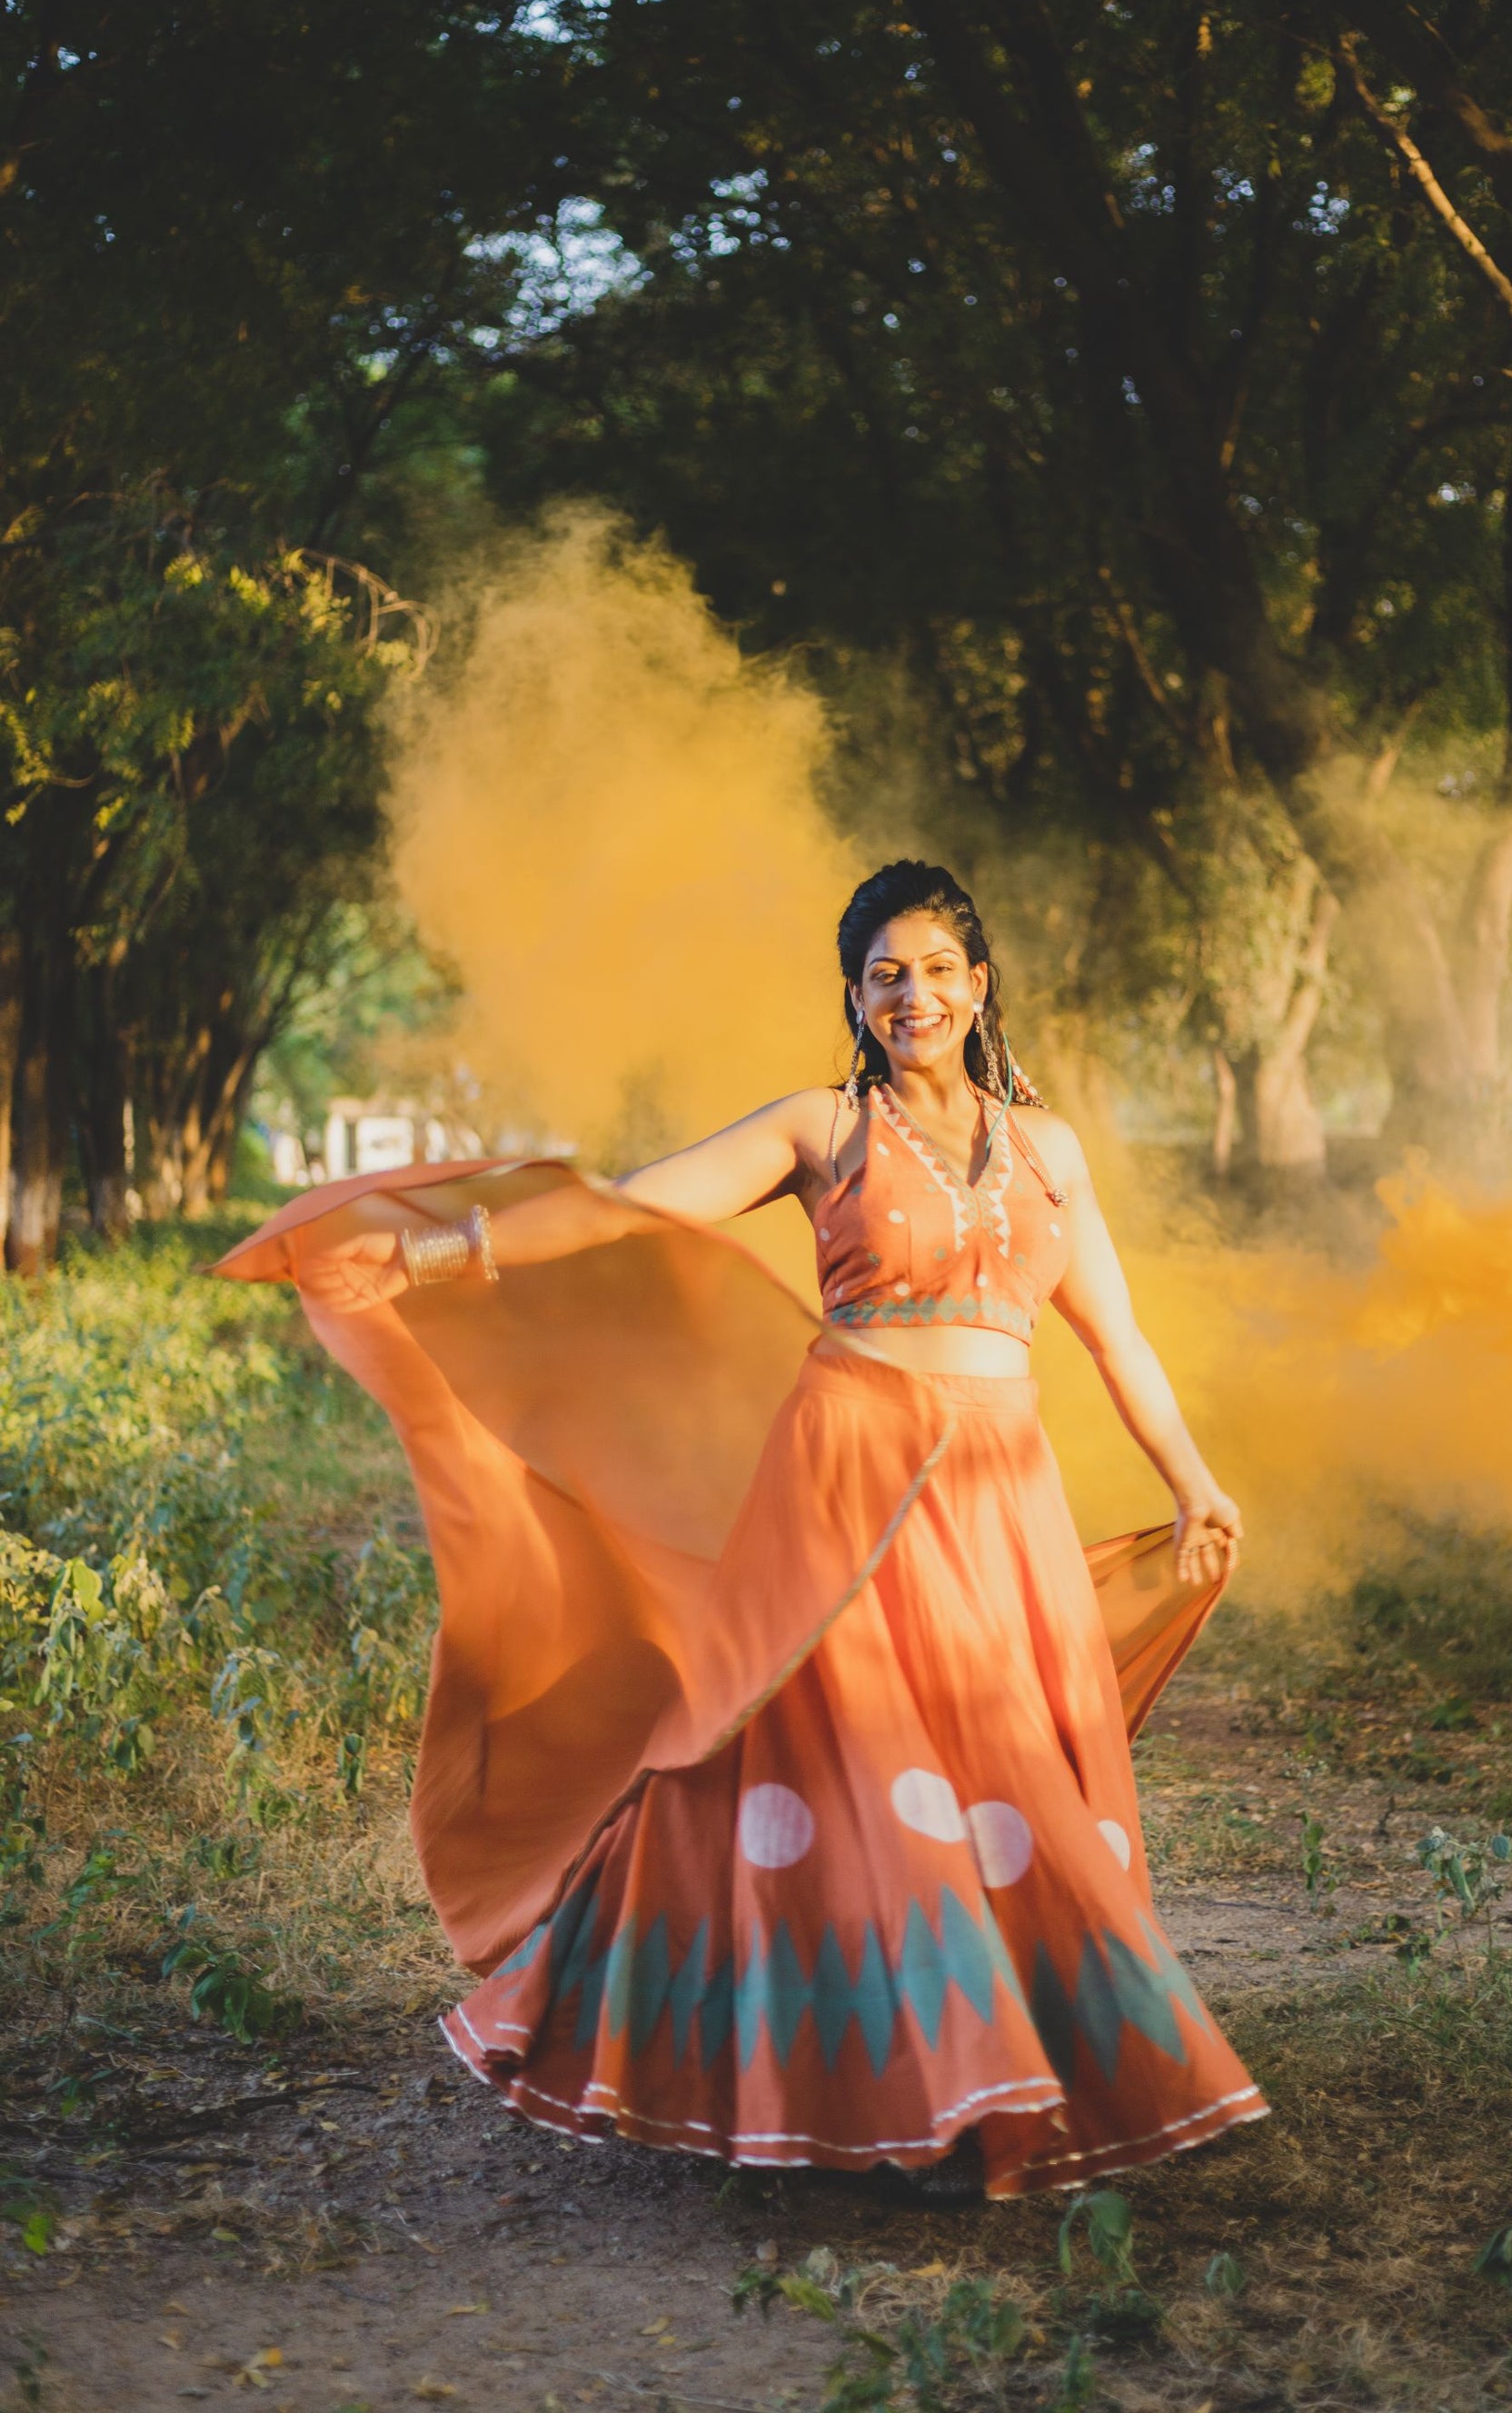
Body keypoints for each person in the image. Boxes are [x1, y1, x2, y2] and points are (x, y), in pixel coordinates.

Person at [216, 859, 1267, 2198]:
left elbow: (1114, 1335)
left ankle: (998, 2070)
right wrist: (431, 1255)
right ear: (855, 997)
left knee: (1002, 1771)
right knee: (870, 1774)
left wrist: (1192, 1478)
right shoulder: (819, 1129)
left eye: (938, 968)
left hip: (1004, 1493)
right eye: (886, 974)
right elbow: (629, 1203)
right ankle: (919, 2086)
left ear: (979, 985)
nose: (914, 993)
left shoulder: (1049, 1152)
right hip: (847, 1476)